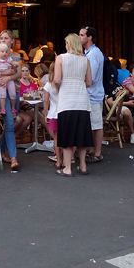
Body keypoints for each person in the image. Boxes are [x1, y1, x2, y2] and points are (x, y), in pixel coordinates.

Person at [0, 30, 31, 172]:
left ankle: (0, 149)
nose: (3, 40)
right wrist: (4, 75)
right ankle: (13, 157)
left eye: (6, 38)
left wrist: (9, 78)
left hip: (14, 92)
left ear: (12, 41)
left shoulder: (16, 56)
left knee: (11, 123)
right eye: (1, 38)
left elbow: (18, 73)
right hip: (1, 93)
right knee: (11, 123)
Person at [53, 33, 93, 176]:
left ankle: (67, 168)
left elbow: (57, 79)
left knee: (67, 136)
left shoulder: (61, 58)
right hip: (82, 101)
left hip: (66, 101)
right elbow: (89, 82)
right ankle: (83, 166)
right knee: (81, 135)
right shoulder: (85, 60)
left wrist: (59, 88)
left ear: (69, 44)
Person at [79, 26, 104, 164]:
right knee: (91, 124)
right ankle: (91, 150)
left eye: (82, 35)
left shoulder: (93, 54)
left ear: (90, 37)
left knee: (96, 124)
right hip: (91, 94)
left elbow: (91, 78)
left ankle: (97, 153)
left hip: (93, 94)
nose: (79, 37)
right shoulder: (89, 53)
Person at [0, 43, 19, 117]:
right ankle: (3, 109)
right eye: (2, 51)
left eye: (6, 52)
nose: (4, 53)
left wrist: (15, 65)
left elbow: (14, 66)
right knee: (3, 94)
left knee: (13, 93)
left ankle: (13, 108)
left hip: (9, 80)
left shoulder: (9, 59)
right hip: (0, 80)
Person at [42, 63, 62, 169]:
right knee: (67, 138)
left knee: (56, 139)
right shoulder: (64, 83)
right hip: (64, 112)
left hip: (53, 113)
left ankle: (58, 160)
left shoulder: (48, 85)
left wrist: (45, 113)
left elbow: (46, 102)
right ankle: (70, 157)